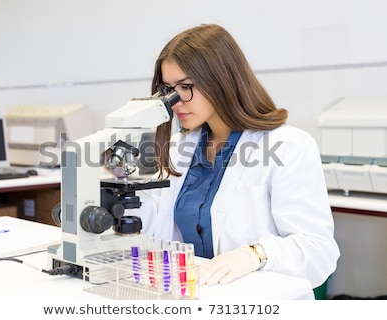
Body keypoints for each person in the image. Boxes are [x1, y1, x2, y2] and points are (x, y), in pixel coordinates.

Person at [134, 23, 340, 289]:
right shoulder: (179, 147)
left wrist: (254, 255)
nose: (176, 101)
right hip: (190, 294)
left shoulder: (289, 146)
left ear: (220, 81)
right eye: (168, 90)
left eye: (185, 87)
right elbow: (152, 225)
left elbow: (318, 252)